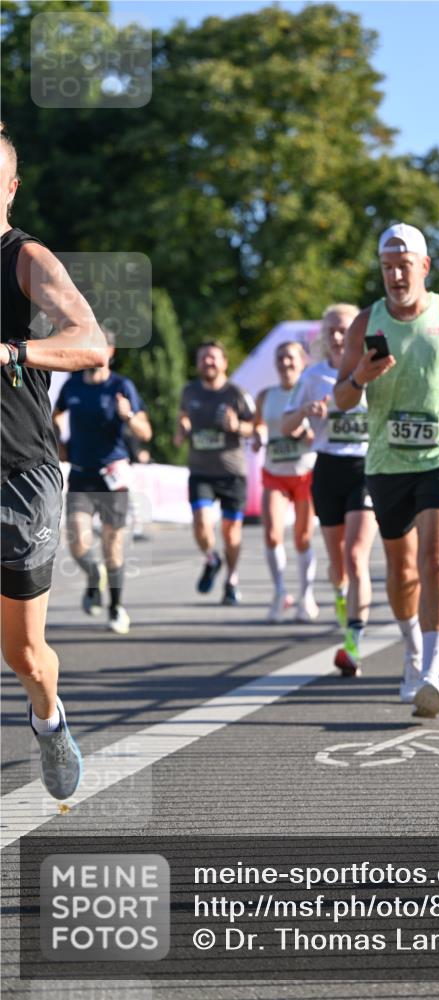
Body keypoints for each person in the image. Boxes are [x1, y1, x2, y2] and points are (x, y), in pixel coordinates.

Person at [334, 224, 439, 716]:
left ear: (424, 266)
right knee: (402, 571)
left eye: (404, 266)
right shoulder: (368, 322)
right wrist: (360, 376)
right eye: (386, 267)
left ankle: (431, 674)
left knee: (435, 561)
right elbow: (340, 399)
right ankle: (410, 650)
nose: (395, 275)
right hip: (387, 461)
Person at [0, 122, 107, 799]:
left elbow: (92, 341)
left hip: (20, 473)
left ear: (7, 187)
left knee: (25, 654)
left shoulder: (22, 255)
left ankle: (48, 717)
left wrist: (13, 352)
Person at [283, 305, 377, 667]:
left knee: (356, 557)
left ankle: (353, 642)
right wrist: (306, 411)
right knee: (338, 564)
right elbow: (287, 427)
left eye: (345, 330)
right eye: (332, 331)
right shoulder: (313, 376)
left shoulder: (373, 372)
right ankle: (341, 596)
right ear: (322, 336)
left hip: (366, 467)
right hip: (327, 469)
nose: (338, 337)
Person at [53, 340, 152, 634]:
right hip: (82, 475)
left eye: (101, 346)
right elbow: (55, 415)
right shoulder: (72, 385)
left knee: (113, 549)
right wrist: (59, 440)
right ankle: (94, 575)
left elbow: (146, 432)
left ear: (111, 352)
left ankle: (116, 607)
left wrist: (129, 416)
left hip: (113, 477)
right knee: (78, 544)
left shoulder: (122, 386)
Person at [175, 341, 255, 605]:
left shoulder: (236, 393)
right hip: (200, 470)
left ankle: (231, 580)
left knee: (231, 533)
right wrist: (182, 428)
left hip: (232, 472)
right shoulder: (189, 391)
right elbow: (183, 415)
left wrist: (237, 426)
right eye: (203, 358)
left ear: (224, 362)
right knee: (201, 522)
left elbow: (255, 428)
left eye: (213, 358)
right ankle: (212, 558)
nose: (208, 362)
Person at [252, 340, 317, 622]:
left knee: (303, 537)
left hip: (305, 471)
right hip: (275, 472)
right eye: (280, 358)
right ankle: (280, 594)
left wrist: (304, 433)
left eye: (291, 358)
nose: (285, 363)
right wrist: (257, 435)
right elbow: (258, 423)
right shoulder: (266, 395)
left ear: (303, 362)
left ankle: (307, 596)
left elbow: (321, 433)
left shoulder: (311, 392)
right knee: (271, 534)